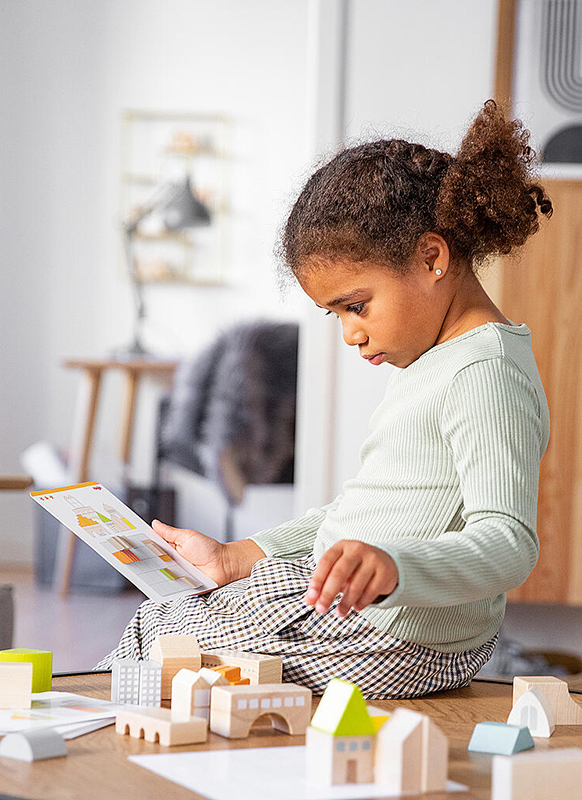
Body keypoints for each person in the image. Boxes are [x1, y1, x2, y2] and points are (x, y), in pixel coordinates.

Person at [96, 100, 552, 699]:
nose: (350, 333)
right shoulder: (436, 363)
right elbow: (357, 518)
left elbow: (509, 543)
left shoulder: (486, 373)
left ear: (432, 257)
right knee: (189, 608)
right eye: (334, 313)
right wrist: (241, 555)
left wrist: (394, 568)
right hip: (376, 622)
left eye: (356, 305)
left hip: (398, 641)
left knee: (160, 635)